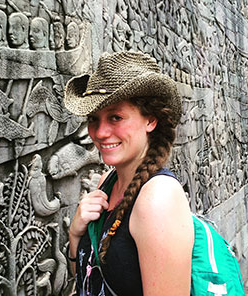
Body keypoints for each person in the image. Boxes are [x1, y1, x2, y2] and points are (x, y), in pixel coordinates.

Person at [64, 51, 194, 295]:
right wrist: (75, 234)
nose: (100, 132)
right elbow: (88, 281)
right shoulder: (107, 183)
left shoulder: (158, 199)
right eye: (94, 119)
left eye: (116, 117)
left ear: (150, 121)